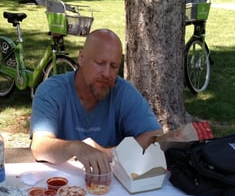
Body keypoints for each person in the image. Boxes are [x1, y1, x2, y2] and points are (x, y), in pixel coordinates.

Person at [30, 28, 163, 175]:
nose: (107, 74)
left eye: (114, 66)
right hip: (65, 186)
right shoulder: (52, 91)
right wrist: (77, 148)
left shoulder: (122, 91)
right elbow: (40, 146)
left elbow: (155, 135)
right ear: (81, 58)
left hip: (111, 187)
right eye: (100, 63)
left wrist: (108, 154)